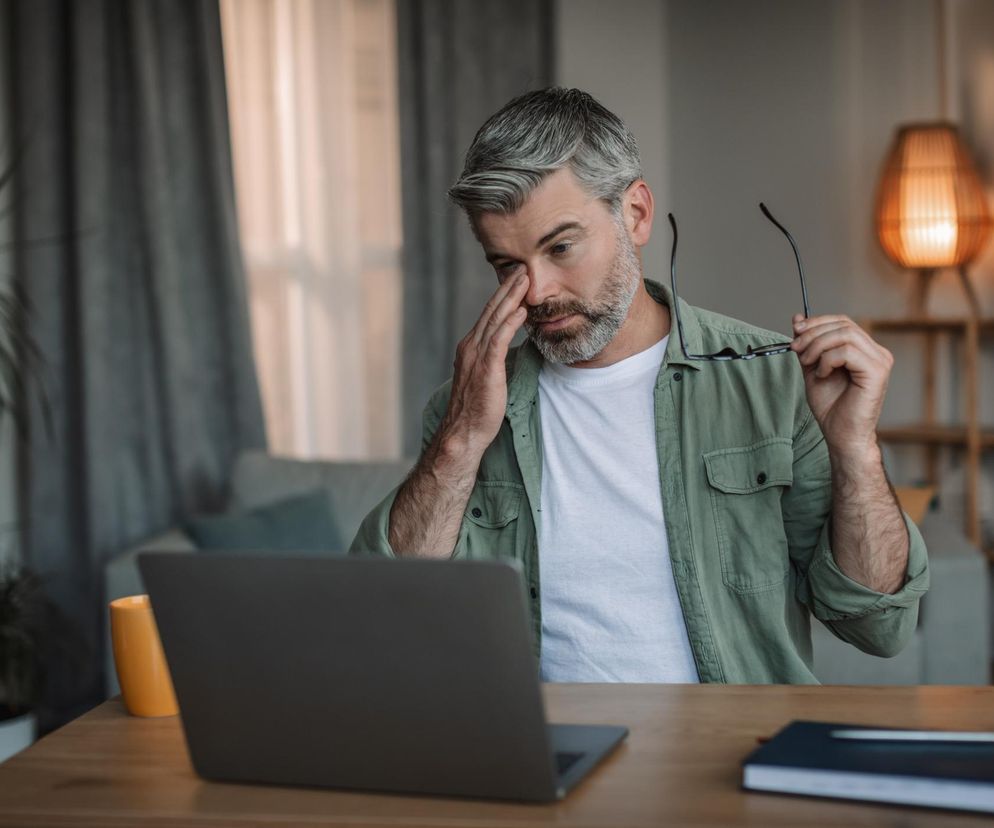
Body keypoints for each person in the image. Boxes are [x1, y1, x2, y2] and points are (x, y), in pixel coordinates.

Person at [351, 87, 929, 684]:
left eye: (561, 247)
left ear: (636, 213)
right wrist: (461, 440)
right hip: (545, 758)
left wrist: (856, 448)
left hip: (730, 753)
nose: (537, 291)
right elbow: (386, 624)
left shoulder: (776, 385)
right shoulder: (462, 410)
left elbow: (878, 627)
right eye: (506, 266)